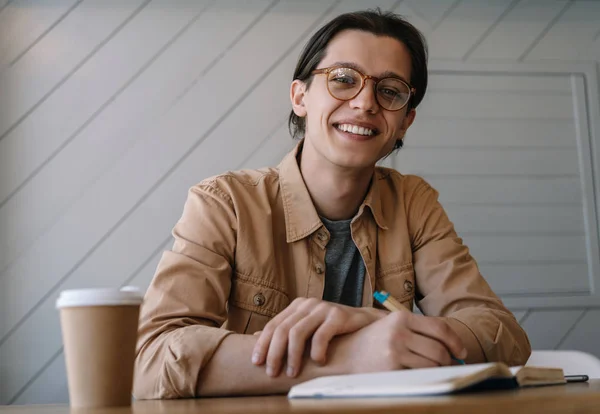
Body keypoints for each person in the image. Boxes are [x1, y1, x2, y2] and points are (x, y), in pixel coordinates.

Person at [133, 9, 531, 399]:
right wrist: (350, 353)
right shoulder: (225, 203)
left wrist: (366, 320)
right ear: (300, 96)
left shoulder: (414, 203)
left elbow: (503, 335)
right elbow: (147, 361)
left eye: (389, 90)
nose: (365, 103)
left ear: (406, 120)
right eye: (343, 79)